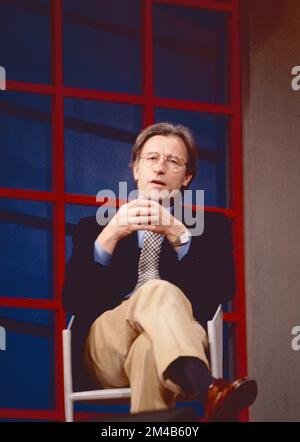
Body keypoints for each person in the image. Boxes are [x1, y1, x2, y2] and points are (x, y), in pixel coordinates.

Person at [62, 122, 257, 421]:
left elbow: (219, 293)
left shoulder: (211, 229)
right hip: (107, 348)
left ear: (187, 177)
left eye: (173, 161)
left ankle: (199, 389)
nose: (160, 168)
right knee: (158, 289)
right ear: (136, 169)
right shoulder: (94, 228)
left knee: (149, 350)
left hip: (172, 347)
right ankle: (207, 387)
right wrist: (110, 236)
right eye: (151, 158)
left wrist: (179, 235)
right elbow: (74, 301)